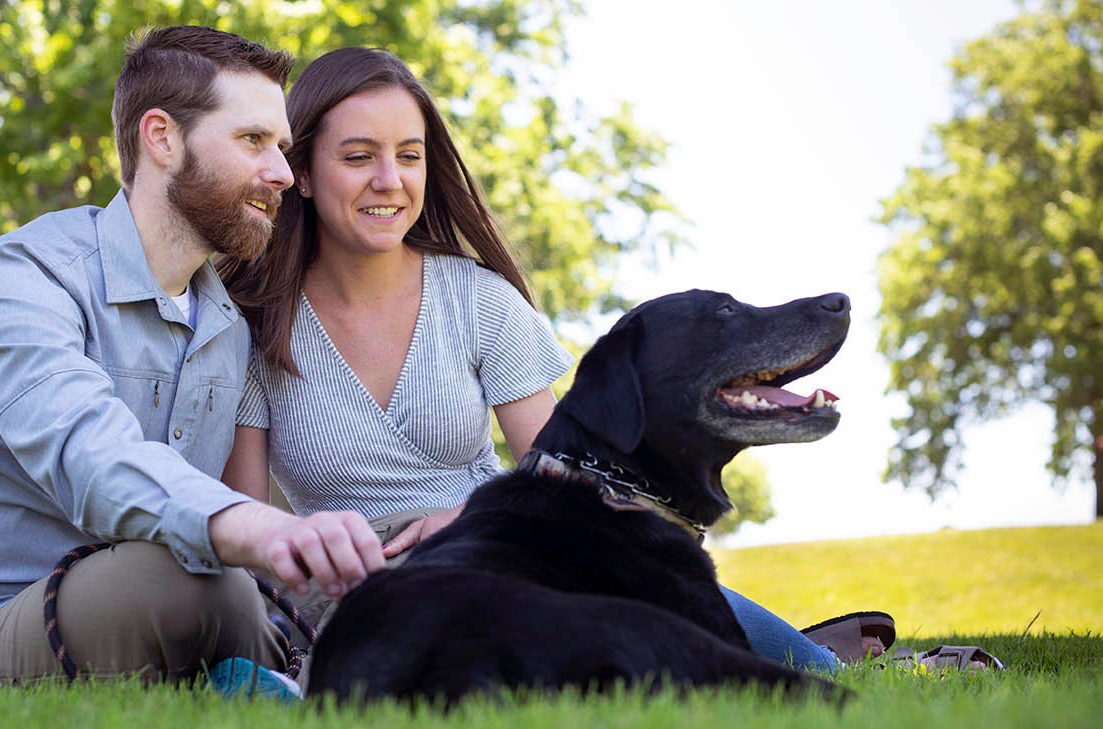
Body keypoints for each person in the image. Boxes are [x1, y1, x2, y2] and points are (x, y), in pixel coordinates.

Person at [217, 47, 873, 673]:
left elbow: (568, 480)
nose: (390, 180)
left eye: (409, 156)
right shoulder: (253, 324)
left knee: (709, 631)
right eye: (359, 156)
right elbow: (252, 528)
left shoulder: (478, 300)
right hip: (354, 592)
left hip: (501, 553)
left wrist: (465, 517)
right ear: (303, 172)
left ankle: (822, 655)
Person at [0, 27, 385, 691]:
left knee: (355, 591)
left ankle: (300, 678)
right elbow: (90, 455)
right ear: (162, 138)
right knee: (192, 579)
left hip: (156, 603)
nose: (284, 173)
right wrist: (261, 530)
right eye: (253, 140)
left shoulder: (224, 325)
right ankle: (283, 675)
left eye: (281, 149)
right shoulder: (19, 276)